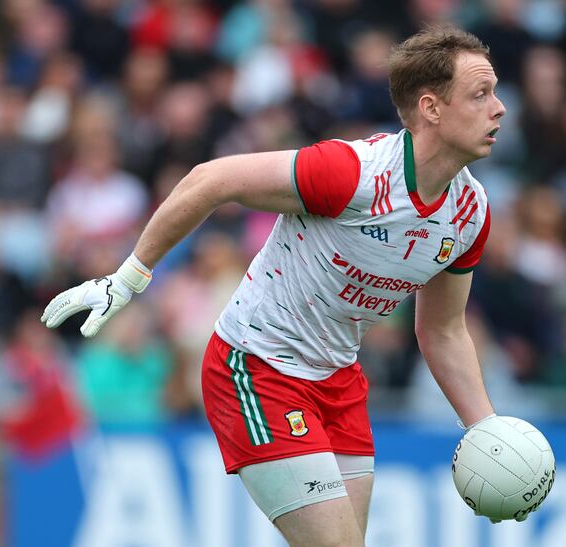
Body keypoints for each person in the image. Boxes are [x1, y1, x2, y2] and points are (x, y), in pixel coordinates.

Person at [41, 26, 507, 546]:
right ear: (431, 108)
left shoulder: (470, 214)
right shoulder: (353, 174)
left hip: (338, 381)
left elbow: (442, 330)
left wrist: (484, 428)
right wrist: (128, 279)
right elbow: (210, 180)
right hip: (257, 365)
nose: (500, 108)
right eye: (481, 93)